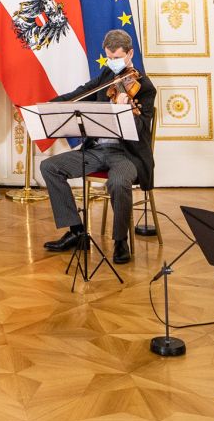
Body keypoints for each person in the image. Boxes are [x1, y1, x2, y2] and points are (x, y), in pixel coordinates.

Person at [39, 29, 157, 265]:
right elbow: (80, 94)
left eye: (117, 58)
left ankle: (120, 241)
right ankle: (77, 231)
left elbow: (141, 129)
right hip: (96, 151)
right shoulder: (106, 77)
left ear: (130, 53)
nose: (112, 62)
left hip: (126, 155)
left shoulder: (144, 87)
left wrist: (123, 110)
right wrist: (47, 106)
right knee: (49, 167)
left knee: (118, 182)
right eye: (109, 58)